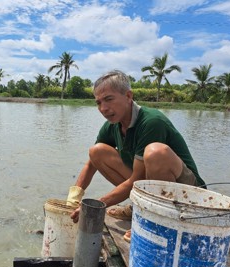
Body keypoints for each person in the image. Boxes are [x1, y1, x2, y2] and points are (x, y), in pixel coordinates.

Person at [66, 70, 206, 242]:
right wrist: (73, 198)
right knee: (97, 151)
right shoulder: (112, 126)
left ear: (128, 96)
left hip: (188, 193)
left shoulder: (151, 121)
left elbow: (136, 179)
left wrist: (97, 205)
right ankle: (140, 207)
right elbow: (90, 165)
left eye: (109, 99)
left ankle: (156, 222)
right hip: (152, 187)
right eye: (98, 102)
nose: (103, 108)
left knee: (156, 153)